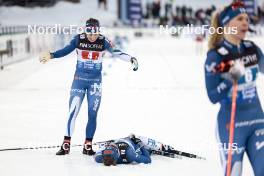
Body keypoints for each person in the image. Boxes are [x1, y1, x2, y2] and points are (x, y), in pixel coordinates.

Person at [39, 18, 138, 156]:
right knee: (73, 112)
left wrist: (131, 58)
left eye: (95, 34)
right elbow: (66, 50)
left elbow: (117, 52)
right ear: (85, 31)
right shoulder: (78, 39)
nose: (92, 37)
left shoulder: (104, 41)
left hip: (95, 83)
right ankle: (66, 144)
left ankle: (87, 145)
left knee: (92, 114)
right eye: (89, 34)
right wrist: (52, 55)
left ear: (98, 32)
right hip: (79, 80)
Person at [204, 1, 264, 176]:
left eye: (246, 18)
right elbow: (213, 96)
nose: (245, 22)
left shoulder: (251, 49)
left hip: (258, 122)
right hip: (231, 125)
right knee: (234, 171)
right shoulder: (216, 56)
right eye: (239, 19)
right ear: (227, 25)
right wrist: (231, 77)